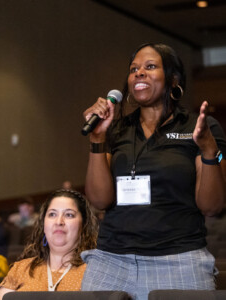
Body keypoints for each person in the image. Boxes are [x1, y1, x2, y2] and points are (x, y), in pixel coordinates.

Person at [80, 43, 226, 300]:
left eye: (150, 67)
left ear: (173, 79)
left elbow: (211, 206)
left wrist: (208, 150)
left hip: (179, 260)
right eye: (134, 69)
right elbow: (100, 199)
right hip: (112, 260)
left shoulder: (199, 127)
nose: (139, 73)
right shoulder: (117, 128)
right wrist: (96, 139)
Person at [0, 189, 98, 300]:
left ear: (84, 225)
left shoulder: (95, 271)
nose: (59, 221)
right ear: (43, 224)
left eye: (69, 215)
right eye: (52, 214)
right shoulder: (21, 269)